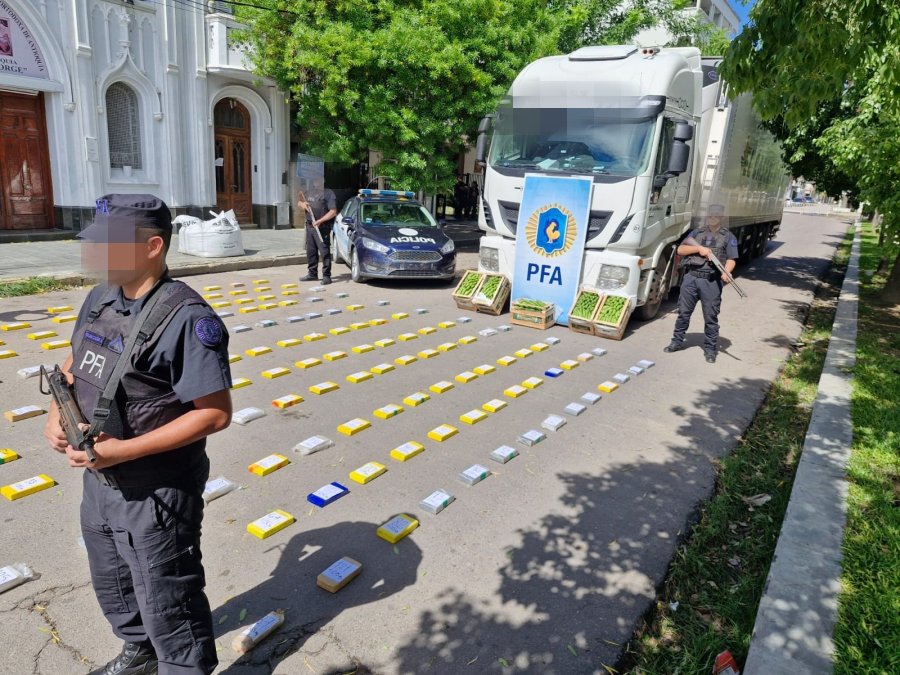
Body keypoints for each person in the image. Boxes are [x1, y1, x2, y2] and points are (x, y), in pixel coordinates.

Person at [44, 194, 232, 675]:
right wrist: (55, 410)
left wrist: (123, 450)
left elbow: (214, 414)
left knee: (168, 593)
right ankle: (140, 651)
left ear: (151, 246)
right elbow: (76, 357)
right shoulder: (103, 295)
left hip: (156, 489)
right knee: (114, 580)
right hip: (101, 481)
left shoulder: (188, 318)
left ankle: (182, 667)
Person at [663, 203, 739, 363]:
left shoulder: (728, 236)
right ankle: (676, 342)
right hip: (691, 278)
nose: (713, 218)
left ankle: (710, 350)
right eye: (711, 215)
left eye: (716, 216)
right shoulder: (696, 233)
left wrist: (727, 272)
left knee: (711, 317)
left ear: (722, 218)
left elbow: (731, 259)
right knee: (683, 313)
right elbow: (680, 250)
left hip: (711, 282)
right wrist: (699, 250)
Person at [298, 187, 337, 284]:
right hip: (310, 226)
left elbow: (333, 211)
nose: (316, 181)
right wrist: (303, 204)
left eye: (318, 178)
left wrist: (321, 220)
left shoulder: (328, 193)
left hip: (322, 227)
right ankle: (312, 274)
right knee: (311, 252)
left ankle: (326, 276)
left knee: (324, 252)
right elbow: (299, 202)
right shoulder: (308, 191)